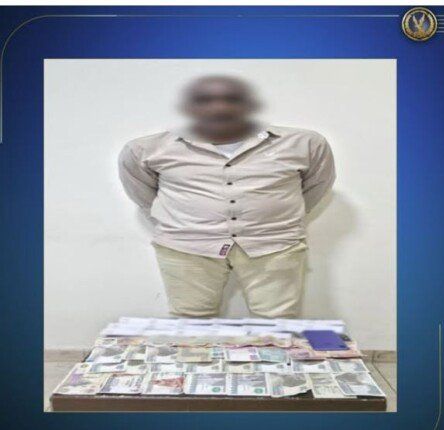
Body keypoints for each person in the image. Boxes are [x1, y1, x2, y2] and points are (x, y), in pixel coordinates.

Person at [118, 75, 335, 318]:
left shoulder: (305, 143)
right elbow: (142, 192)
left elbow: (317, 186)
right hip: (186, 247)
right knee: (190, 323)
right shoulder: (146, 149)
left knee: (278, 322)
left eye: (232, 99)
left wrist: (275, 215)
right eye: (205, 100)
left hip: (274, 245)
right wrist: (182, 219)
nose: (219, 107)